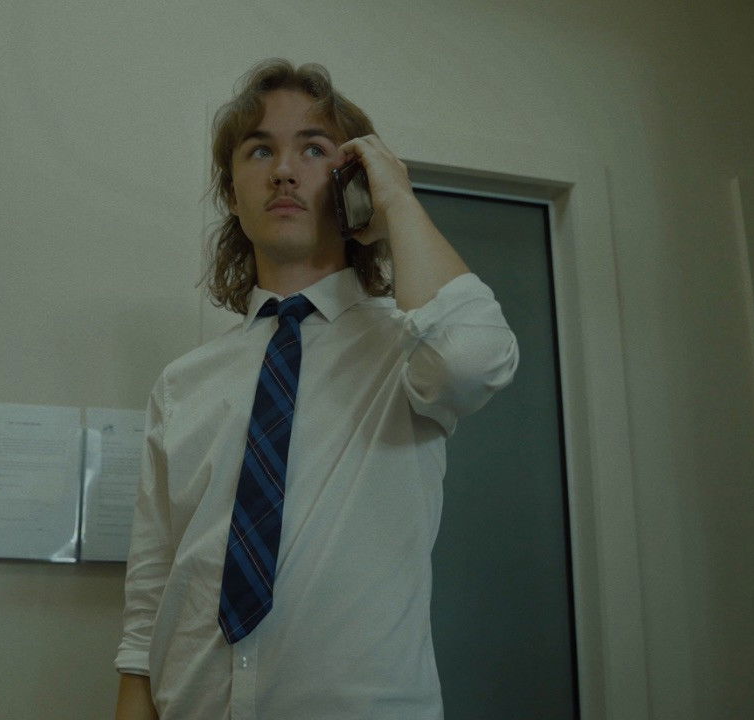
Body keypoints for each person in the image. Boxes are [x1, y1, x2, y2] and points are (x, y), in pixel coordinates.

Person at [115, 59, 519, 720]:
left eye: (312, 149)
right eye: (259, 150)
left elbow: (475, 360)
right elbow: (153, 582)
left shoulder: (409, 350)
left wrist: (397, 202)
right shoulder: (182, 383)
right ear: (233, 192)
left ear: (353, 181)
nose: (283, 170)